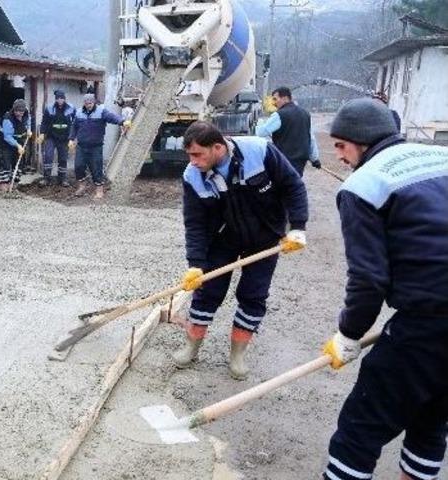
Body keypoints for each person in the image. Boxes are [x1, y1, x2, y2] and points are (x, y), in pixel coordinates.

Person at [320, 98, 447, 480]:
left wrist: (349, 334)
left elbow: (368, 280)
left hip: (428, 325)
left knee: (360, 431)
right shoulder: (441, 157)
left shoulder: (363, 186)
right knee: (432, 417)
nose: (339, 156)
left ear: (362, 140)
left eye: (341, 145)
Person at [175, 121, 308, 380]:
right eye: (189, 155)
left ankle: (237, 355)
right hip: (223, 238)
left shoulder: (259, 151)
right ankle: (191, 347)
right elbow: (195, 222)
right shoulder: (192, 175)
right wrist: (196, 263)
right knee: (207, 290)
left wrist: (297, 227)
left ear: (218, 147)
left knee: (253, 295)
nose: (193, 161)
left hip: (265, 237)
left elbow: (293, 186)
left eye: (197, 154)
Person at [68, 93, 130, 199]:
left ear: (94, 102)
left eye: (90, 103)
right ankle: (82, 186)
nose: (88, 105)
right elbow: (74, 126)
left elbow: (112, 117)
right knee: (78, 166)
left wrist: (122, 122)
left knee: (96, 168)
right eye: (86, 103)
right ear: (84, 103)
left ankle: (99, 190)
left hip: (96, 146)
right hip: (81, 146)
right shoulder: (79, 112)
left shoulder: (101, 111)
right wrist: (71, 139)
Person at [256, 87, 320, 177]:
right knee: (295, 182)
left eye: (275, 99)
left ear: (285, 98)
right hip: (300, 161)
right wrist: (314, 159)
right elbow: (311, 138)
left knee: (282, 184)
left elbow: (261, 133)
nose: (274, 102)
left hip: (283, 160)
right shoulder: (305, 113)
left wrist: (259, 121)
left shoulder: (279, 115)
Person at [37, 89, 75, 186]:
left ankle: (62, 179)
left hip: (64, 138)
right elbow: (44, 122)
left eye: (62, 98)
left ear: (64, 99)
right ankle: (46, 178)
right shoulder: (49, 109)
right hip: (51, 137)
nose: (60, 100)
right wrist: (42, 134)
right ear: (55, 99)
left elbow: (74, 124)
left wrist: (72, 138)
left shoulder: (71, 109)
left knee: (63, 158)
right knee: (48, 156)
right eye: (58, 98)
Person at [0, 99, 32, 191]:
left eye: (21, 112)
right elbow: (7, 136)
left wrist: (28, 130)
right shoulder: (7, 118)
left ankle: (14, 182)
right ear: (14, 109)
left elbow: (28, 122)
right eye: (17, 111)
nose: (19, 114)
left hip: (19, 140)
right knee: (5, 162)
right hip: (6, 143)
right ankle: (4, 183)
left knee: (18, 162)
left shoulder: (26, 114)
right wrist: (18, 145)